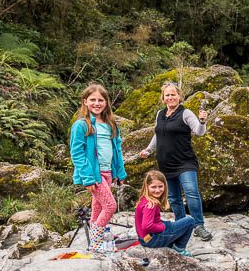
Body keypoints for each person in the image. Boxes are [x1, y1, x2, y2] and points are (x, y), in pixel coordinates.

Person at [138, 81, 213, 240]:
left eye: (173, 94)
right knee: (173, 198)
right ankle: (182, 225)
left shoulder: (186, 113)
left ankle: (199, 226)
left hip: (185, 162)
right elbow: (158, 134)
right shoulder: (160, 114)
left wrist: (202, 121)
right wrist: (149, 150)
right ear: (163, 98)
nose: (170, 97)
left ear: (179, 96)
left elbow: (199, 132)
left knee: (191, 192)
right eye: (167, 95)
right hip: (165, 163)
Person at [70, 83, 127, 251]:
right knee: (110, 206)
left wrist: (120, 173)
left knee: (98, 207)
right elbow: (77, 153)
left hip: (108, 172)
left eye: (100, 100)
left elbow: (117, 151)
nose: (97, 103)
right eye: (92, 100)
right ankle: (95, 244)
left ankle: (94, 243)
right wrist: (87, 177)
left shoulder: (111, 124)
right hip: (94, 174)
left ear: (106, 102)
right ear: (85, 102)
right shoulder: (81, 125)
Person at [135, 170, 195, 256]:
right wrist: (162, 227)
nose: (157, 190)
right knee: (190, 220)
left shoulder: (144, 200)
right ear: (147, 186)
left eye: (160, 186)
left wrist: (164, 224)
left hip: (144, 239)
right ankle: (179, 248)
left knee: (169, 224)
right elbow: (147, 225)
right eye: (153, 187)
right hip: (152, 240)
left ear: (165, 186)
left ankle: (170, 239)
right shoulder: (150, 204)